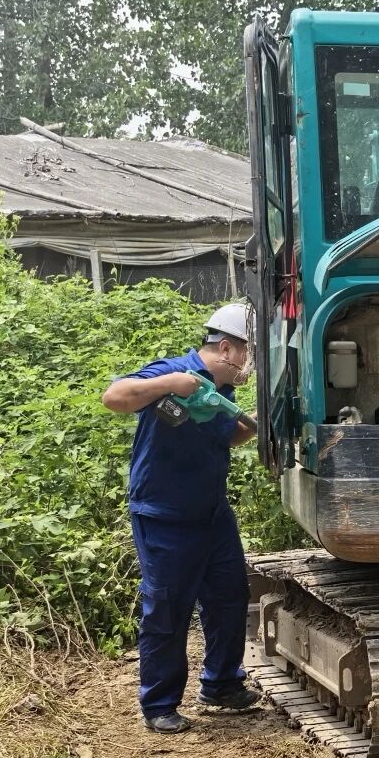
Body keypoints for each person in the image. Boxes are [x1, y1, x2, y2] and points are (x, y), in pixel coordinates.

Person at [101, 303, 260, 734]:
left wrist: (256, 423)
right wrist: (172, 384)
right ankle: (159, 704)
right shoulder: (174, 372)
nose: (248, 364)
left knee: (229, 597)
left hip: (211, 512)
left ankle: (222, 685)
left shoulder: (222, 391)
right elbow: (114, 397)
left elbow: (227, 436)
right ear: (225, 346)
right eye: (247, 353)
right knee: (168, 609)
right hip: (165, 514)